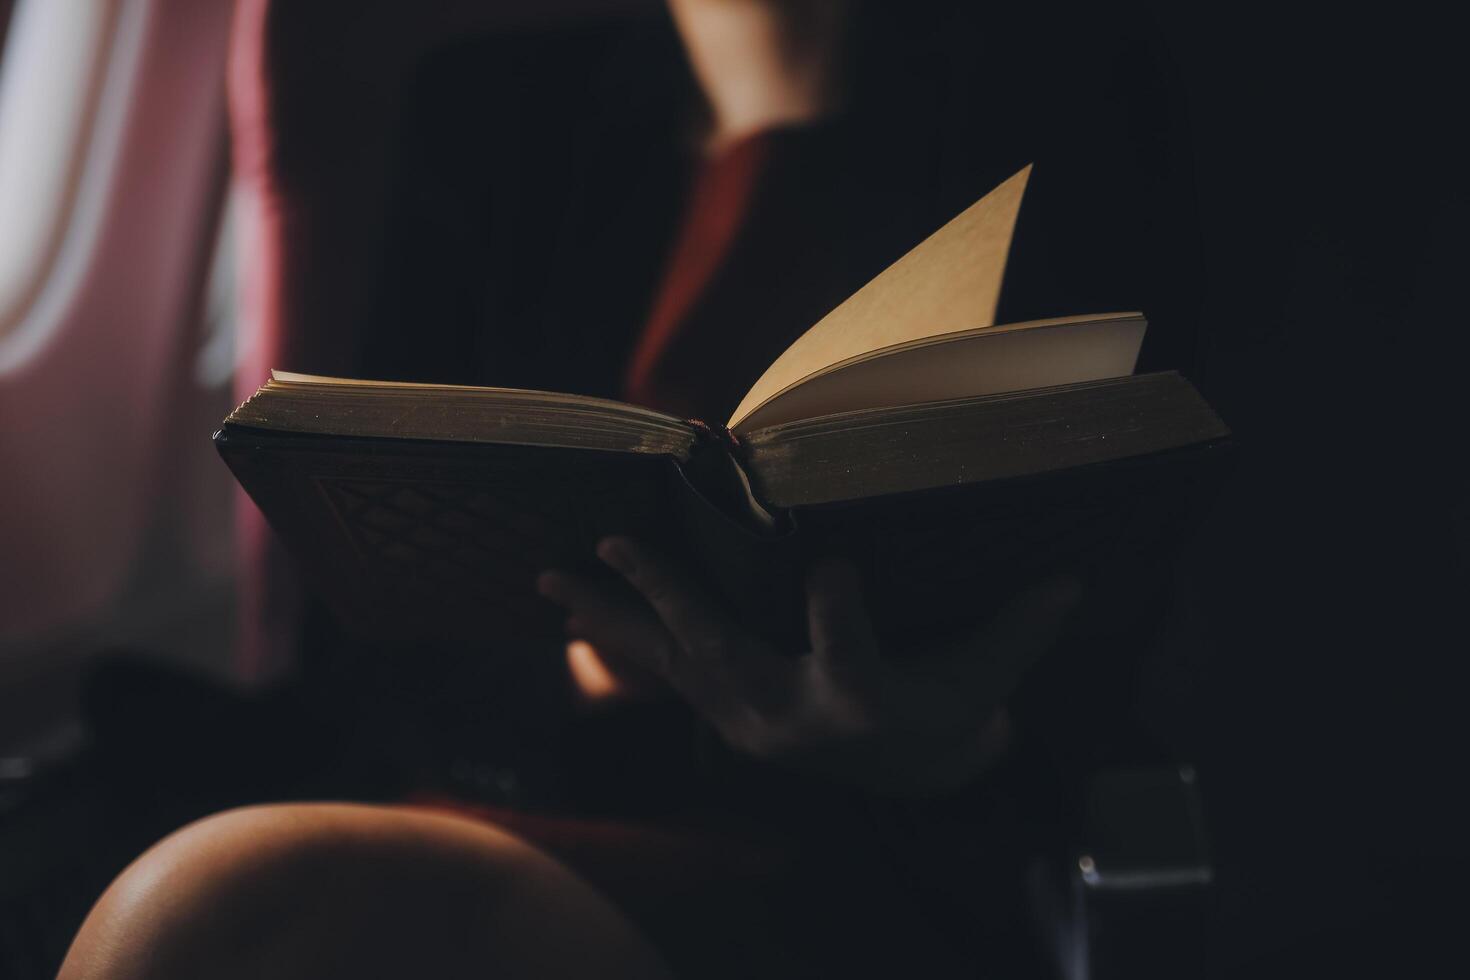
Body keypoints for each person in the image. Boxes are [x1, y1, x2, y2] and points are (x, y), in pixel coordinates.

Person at [60, 1, 1197, 976]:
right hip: (525, 788)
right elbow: (355, 631)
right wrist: (599, 661)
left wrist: (949, 747)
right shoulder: (490, 114)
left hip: (872, 855)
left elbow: (1132, 599)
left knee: (204, 912)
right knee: (204, 910)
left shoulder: (1074, 102)